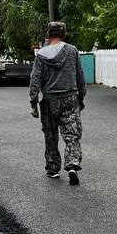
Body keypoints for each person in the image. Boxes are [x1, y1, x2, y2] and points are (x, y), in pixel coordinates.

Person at [29, 22, 86, 184]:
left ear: (49, 33)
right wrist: (81, 97)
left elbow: (35, 79)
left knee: (51, 135)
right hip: (70, 98)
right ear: (64, 34)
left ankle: (53, 169)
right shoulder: (72, 51)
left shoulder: (41, 54)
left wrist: (33, 102)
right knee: (72, 135)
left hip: (49, 100)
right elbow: (80, 76)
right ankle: (73, 165)